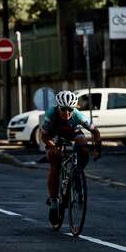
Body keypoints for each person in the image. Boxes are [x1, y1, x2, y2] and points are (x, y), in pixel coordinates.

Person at [41, 90, 101, 227]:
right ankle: (54, 203)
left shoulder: (78, 116)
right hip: (54, 136)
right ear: (58, 107)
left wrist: (98, 149)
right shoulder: (51, 113)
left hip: (71, 132)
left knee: (83, 146)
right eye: (63, 109)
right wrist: (52, 146)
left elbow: (95, 132)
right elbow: (44, 136)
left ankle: (77, 172)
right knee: (54, 164)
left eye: (70, 110)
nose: (67, 113)